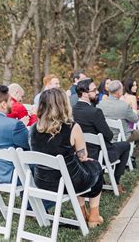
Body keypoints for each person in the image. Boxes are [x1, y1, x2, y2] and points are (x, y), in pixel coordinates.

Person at [30, 88, 104, 228]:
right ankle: (94, 215)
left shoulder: (33, 129)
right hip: (68, 183)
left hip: (43, 182)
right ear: (63, 104)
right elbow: (83, 156)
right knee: (95, 166)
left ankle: (82, 212)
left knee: (75, 169)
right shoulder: (72, 127)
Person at [72, 79, 130, 194]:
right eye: (94, 90)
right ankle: (116, 182)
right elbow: (108, 136)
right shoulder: (95, 112)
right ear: (84, 94)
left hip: (79, 154)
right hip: (98, 155)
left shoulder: (72, 110)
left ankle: (102, 181)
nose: (97, 92)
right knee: (126, 145)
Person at [97, 80, 139, 167]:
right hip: (122, 136)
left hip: (106, 136)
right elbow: (135, 119)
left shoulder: (100, 104)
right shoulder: (124, 105)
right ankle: (133, 158)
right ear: (118, 92)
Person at [0, 85, 30, 184]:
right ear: (3, 104)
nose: (12, 103)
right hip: (8, 176)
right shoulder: (14, 125)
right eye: (10, 101)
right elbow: (30, 145)